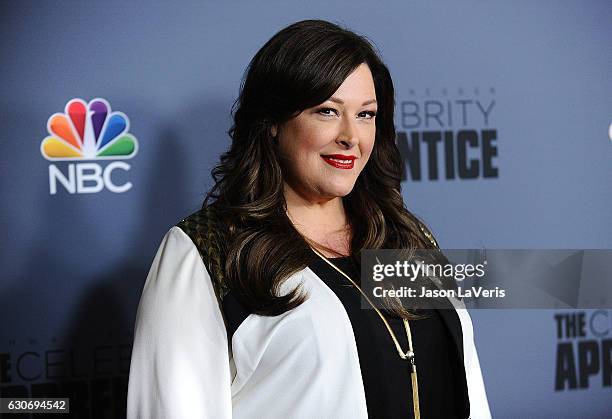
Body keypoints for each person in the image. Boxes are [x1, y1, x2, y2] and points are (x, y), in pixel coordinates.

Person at [127, 19, 491, 419]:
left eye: (366, 114)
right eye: (327, 111)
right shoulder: (208, 251)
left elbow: (468, 385)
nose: (351, 136)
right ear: (272, 125)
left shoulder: (405, 235)